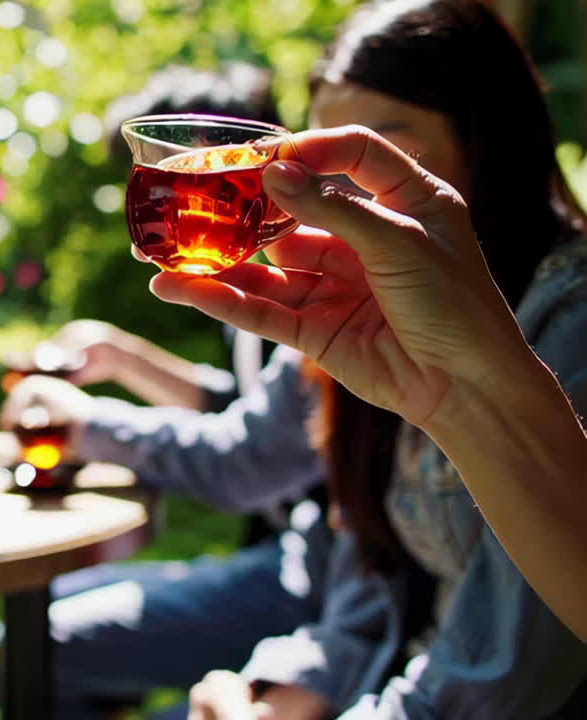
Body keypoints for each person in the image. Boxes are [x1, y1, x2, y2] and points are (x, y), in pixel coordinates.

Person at [152, 1, 587, 717]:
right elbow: (369, 574)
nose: (337, 197)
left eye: (377, 158)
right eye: (318, 167)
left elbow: (494, 678)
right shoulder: (367, 309)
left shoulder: (566, 323)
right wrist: (293, 688)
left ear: (488, 145)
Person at [0, 64, 405, 720]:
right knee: (23, 629)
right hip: (298, 566)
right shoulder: (281, 267)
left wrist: (87, 425)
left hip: (315, 588)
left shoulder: (346, 286)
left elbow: (247, 457)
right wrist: (124, 357)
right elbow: (254, 406)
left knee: (19, 650)